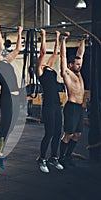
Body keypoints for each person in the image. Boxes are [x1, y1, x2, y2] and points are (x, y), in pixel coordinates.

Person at [0, 23, 23, 172]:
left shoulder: (6, 61)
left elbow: (18, 49)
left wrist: (20, 32)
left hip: (16, 98)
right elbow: (0, 47)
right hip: (7, 98)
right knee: (3, 128)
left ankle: (0, 152)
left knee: (11, 127)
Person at [59, 32, 89, 167]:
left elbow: (80, 55)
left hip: (79, 107)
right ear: (70, 65)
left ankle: (68, 156)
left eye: (79, 64)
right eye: (76, 64)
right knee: (68, 134)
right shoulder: (67, 74)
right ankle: (60, 158)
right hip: (71, 107)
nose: (79, 65)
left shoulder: (79, 73)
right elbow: (63, 57)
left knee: (77, 134)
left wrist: (83, 40)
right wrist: (63, 40)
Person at [36, 29, 64, 173]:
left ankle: (53, 157)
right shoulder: (40, 71)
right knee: (49, 133)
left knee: (58, 132)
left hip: (56, 105)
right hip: (47, 106)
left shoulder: (49, 68)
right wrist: (44, 36)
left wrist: (58, 37)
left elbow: (55, 53)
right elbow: (43, 53)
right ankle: (42, 159)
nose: (46, 60)